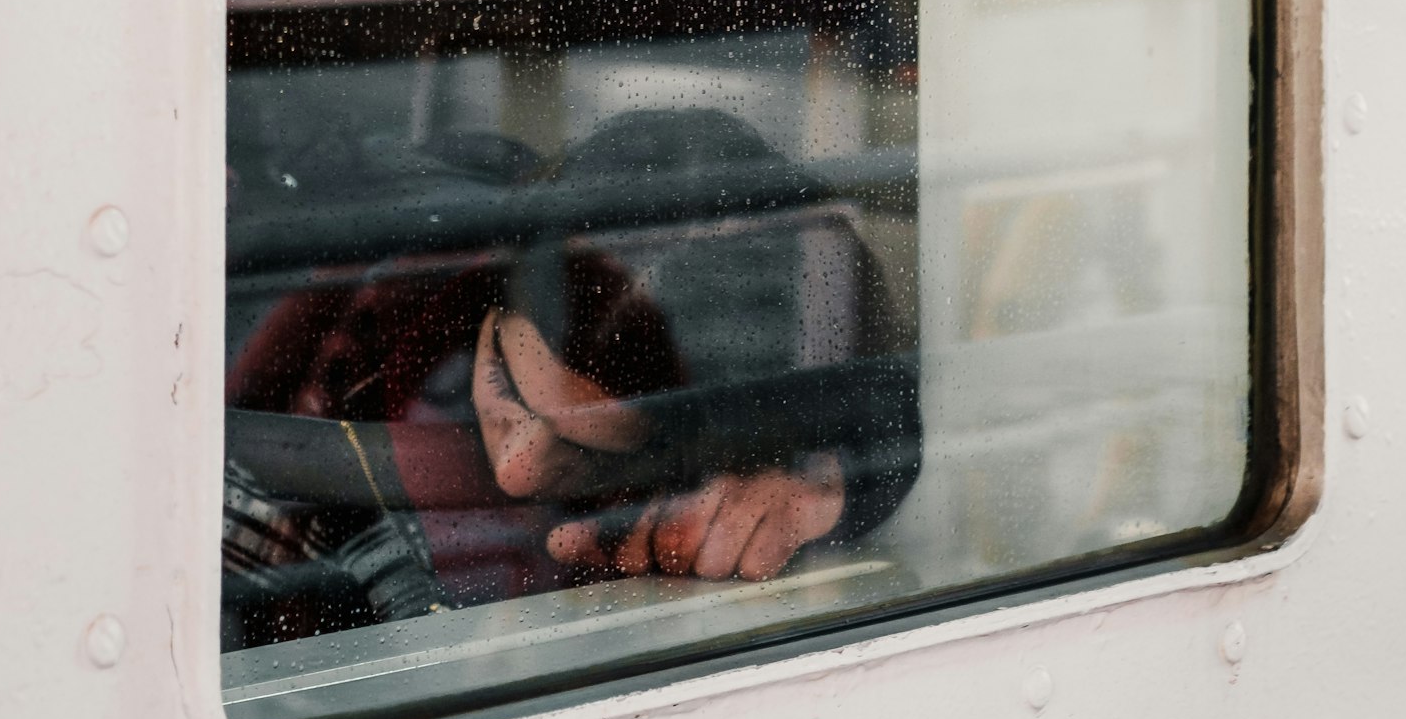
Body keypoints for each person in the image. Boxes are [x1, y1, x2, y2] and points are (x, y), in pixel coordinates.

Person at [222, 109, 920, 647]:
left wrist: (828, 483)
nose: (521, 468)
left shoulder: (731, 443)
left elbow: (880, 404)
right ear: (493, 303)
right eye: (513, 390)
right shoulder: (329, 321)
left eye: (597, 453)